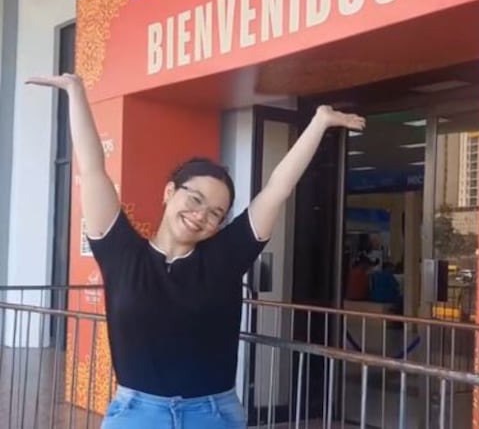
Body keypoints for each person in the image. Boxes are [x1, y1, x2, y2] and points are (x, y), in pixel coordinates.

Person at [27, 73, 365, 429]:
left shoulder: (225, 257)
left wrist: (319, 121)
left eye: (215, 213)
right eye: (194, 199)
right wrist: (76, 93)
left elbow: (277, 188)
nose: (200, 215)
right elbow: (93, 169)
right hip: (138, 414)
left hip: (213, 415)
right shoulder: (121, 253)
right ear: (169, 192)